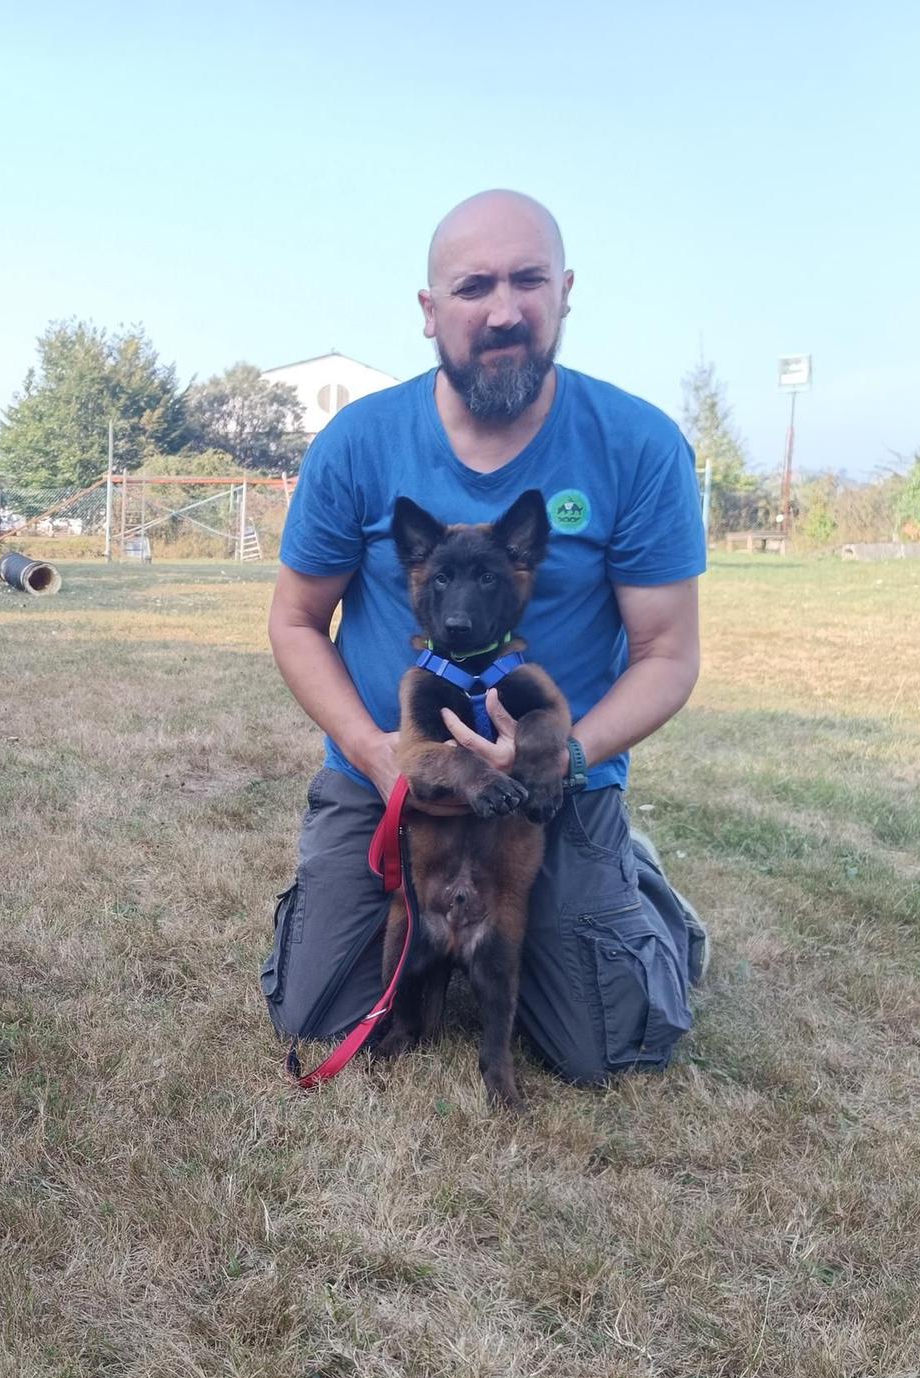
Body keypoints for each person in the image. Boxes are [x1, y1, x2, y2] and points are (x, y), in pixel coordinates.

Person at [263, 189, 709, 1086]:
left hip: (555, 785)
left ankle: (634, 889)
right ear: (431, 312)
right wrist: (382, 756)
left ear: (565, 292)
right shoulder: (358, 444)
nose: (504, 310)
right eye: (474, 287)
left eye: (528, 280)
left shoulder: (637, 444)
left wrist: (564, 757)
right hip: (391, 782)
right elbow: (295, 621)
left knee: (605, 1046)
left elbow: (668, 655)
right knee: (317, 1014)